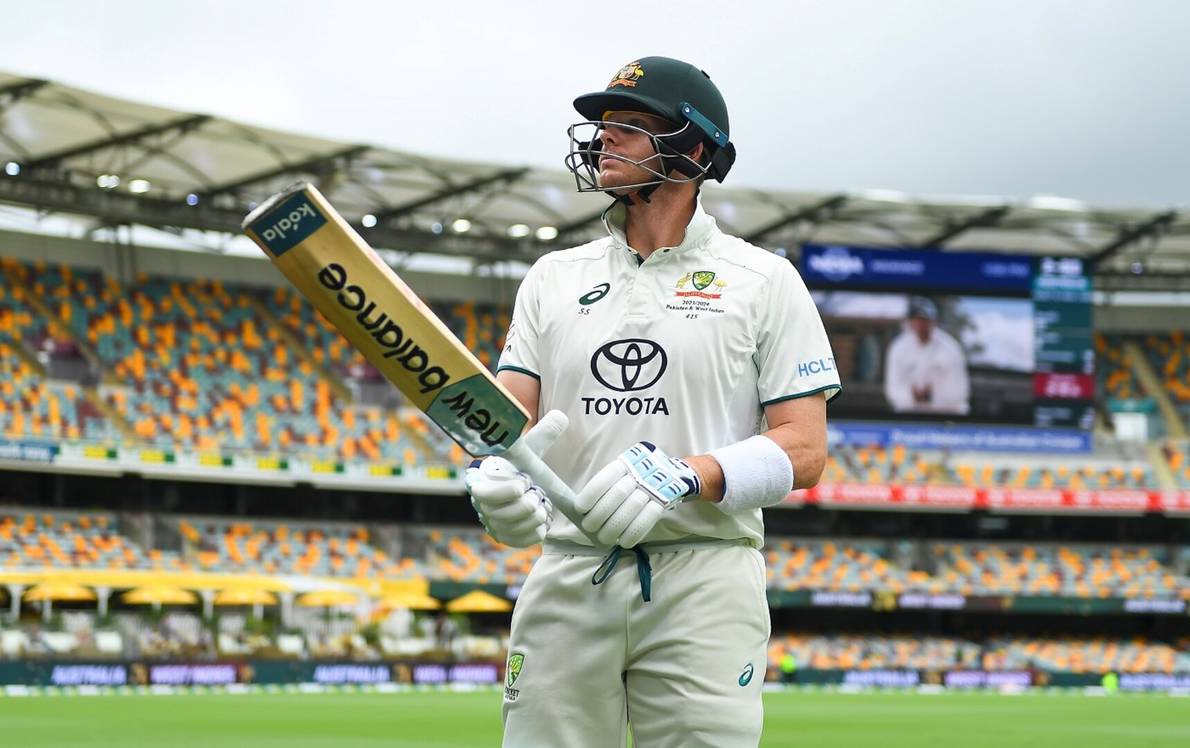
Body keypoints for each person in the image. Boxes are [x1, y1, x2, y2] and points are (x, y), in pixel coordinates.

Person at [465, 56, 840, 748]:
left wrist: (683, 474)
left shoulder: (764, 280)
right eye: (603, 127)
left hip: (705, 575)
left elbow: (806, 448)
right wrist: (498, 481)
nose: (604, 140)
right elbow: (504, 423)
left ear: (693, 150)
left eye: (630, 128)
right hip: (571, 568)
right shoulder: (552, 277)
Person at [883, 296, 970, 415]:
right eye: (917, 319)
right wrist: (912, 395)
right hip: (910, 416)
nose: (921, 324)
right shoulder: (898, 348)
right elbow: (893, 390)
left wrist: (933, 395)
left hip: (945, 416)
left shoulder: (951, 348)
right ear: (910, 322)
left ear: (934, 321)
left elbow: (959, 392)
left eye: (925, 319)